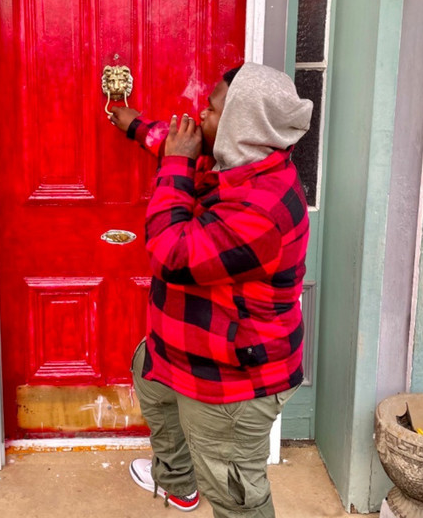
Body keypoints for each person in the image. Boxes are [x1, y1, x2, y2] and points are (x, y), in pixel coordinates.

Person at [109, 63, 313, 518]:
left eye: (214, 109)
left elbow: (172, 255)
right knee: (151, 383)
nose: (201, 114)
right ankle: (180, 486)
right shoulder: (236, 160)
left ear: (244, 126)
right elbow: (177, 142)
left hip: (233, 379)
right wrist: (135, 124)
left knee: (234, 493)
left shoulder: (264, 207)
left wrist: (175, 165)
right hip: (185, 350)